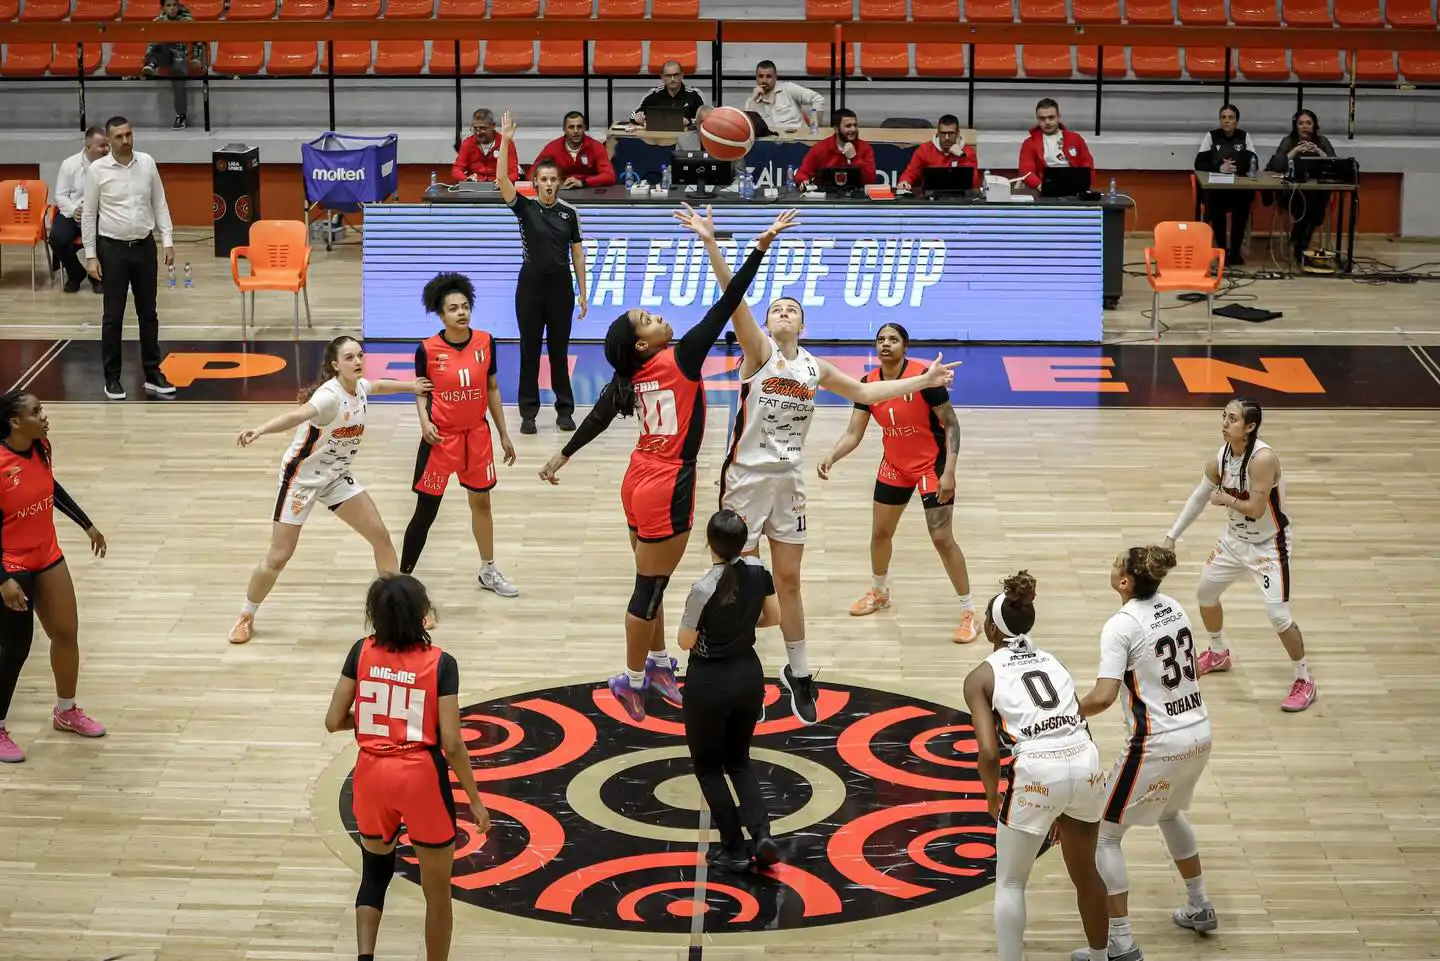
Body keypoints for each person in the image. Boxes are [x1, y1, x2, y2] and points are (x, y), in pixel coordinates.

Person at [679, 206, 960, 725]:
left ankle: (799, 673)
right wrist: (712, 244)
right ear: (766, 323)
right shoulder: (758, 352)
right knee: (732, 581)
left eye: (792, 308)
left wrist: (923, 381)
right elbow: (732, 297)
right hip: (743, 480)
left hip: (787, 483)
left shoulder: (814, 366)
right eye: (777, 308)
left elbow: (867, 391)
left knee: (789, 582)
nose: (784, 311)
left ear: (803, 323)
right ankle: (738, 672)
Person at [535, 208, 794, 723]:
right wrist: (760, 246)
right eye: (649, 321)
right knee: (648, 589)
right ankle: (632, 683)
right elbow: (728, 303)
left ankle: (656, 665)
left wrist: (562, 455)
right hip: (667, 483)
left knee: (649, 579)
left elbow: (597, 419)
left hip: (635, 480)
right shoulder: (682, 357)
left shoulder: (631, 378)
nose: (657, 316)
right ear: (643, 344)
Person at [324, 573, 492, 961]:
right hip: (419, 778)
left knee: (375, 874)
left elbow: (334, 720)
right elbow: (451, 743)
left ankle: (365, 956)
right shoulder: (441, 663)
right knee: (438, 894)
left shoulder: (360, 651)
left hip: (370, 774)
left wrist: (376, 719)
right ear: (421, 614)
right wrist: (476, 801)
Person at [227, 336, 432, 645]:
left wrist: (411, 387)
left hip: (336, 478)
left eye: (360, 355)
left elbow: (379, 385)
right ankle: (246, 615)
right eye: (350, 357)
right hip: (301, 481)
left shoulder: (360, 387)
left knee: (381, 538)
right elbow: (296, 416)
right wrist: (260, 430)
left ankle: (399, 611)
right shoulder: (329, 397)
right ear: (336, 365)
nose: (358, 361)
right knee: (279, 556)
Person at [1071, 546, 1218, 961]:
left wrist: (1063, 713)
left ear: (1124, 582)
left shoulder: (1121, 625)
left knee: (1105, 833)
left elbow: (1103, 696)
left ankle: (1120, 941)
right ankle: (1200, 904)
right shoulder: (1173, 606)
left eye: (1115, 562)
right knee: (1170, 813)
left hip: (1158, 741)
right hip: (1199, 732)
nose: (1111, 563)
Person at [962, 571, 1110, 961]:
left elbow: (990, 754)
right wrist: (1066, 800)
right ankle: (1100, 956)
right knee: (1086, 872)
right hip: (1084, 758)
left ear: (991, 628)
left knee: (1010, 882)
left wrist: (992, 795)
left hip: (1038, 769)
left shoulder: (980, 676)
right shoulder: (1054, 662)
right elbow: (1075, 717)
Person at [817, 323, 977, 642]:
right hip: (895, 466)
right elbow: (853, 433)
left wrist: (950, 472)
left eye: (893, 339)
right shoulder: (868, 385)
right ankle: (880, 593)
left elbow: (952, 425)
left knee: (942, 538)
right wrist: (832, 456)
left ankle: (968, 611)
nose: (886, 344)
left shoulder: (925, 378)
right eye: (881, 339)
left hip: (932, 466)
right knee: (880, 533)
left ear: (905, 346)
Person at [1161, 397, 1315, 711]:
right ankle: (1218, 652)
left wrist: (1226, 500)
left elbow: (1257, 510)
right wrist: (1171, 536)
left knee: (1279, 617)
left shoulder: (1262, 459)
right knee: (1205, 593)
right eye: (1224, 416)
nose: (1224, 423)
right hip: (1233, 541)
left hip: (1269, 546)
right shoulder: (1220, 458)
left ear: (1250, 426)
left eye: (1232, 418)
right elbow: (1199, 497)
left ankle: (1304, 679)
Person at [0, 390, 108, 763]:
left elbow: (50, 488)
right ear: (15, 422)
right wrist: (2, 579)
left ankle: (66, 710)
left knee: (66, 631)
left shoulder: (41, 445)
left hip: (47, 553)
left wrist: (87, 524)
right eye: (36, 412)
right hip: (11, 565)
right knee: (15, 648)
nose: (44, 415)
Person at [400, 273, 519, 598]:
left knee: (482, 502)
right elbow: (421, 392)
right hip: (441, 441)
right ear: (441, 314)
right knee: (426, 511)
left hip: (477, 437)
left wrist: (504, 434)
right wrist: (424, 421)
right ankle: (402, 577)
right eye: (453, 308)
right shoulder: (426, 350)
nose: (461, 312)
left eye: (465, 306)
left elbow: (492, 388)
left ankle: (488, 569)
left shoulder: (485, 341)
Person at [677, 509, 783, 872]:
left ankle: (733, 847)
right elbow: (774, 618)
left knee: (708, 767)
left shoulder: (703, 588)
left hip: (709, 683)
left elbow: (684, 640)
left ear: (710, 544)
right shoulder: (759, 572)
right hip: (748, 676)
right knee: (739, 760)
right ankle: (763, 834)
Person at [497, 111, 589, 436]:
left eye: (553, 179)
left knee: (559, 352)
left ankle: (565, 411)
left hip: (561, 289)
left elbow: (577, 252)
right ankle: (528, 414)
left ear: (559, 182)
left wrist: (583, 291)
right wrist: (506, 142)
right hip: (530, 289)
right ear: (535, 182)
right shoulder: (524, 207)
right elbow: (503, 182)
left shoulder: (570, 213)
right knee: (529, 351)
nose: (548, 184)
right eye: (543, 179)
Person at [82, 115, 176, 402]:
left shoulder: (147, 162)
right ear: (108, 141)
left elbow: (159, 203)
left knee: (149, 313)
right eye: (119, 136)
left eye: (129, 134)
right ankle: (112, 378)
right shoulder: (97, 170)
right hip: (112, 249)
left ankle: (152, 373)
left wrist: (168, 240)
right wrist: (90, 256)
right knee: (113, 316)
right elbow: (88, 214)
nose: (126, 140)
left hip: (144, 246)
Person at [1266, 109, 1337, 261]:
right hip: (1292, 193)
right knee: (1305, 206)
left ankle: (1298, 240)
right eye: (1301, 123)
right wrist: (1294, 151)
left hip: (1316, 193)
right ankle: (1301, 246)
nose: (1305, 126)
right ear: (1295, 126)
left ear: (1314, 126)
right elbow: (1275, 166)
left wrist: (1318, 152)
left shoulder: (1322, 141)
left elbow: (1334, 165)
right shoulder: (1288, 141)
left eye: (1308, 123)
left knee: (1315, 209)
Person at [1194, 104, 1259, 265]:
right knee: (1216, 207)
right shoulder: (1211, 136)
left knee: (1241, 208)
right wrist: (1220, 168)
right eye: (1223, 117)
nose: (1226, 121)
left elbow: (1254, 162)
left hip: (1238, 188)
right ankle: (1222, 249)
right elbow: (1199, 163)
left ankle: (1235, 251)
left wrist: (1237, 167)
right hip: (1217, 187)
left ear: (1236, 121)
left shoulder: (1244, 136)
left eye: (1230, 118)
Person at [50, 126, 107, 294]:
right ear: (88, 147)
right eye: (102, 146)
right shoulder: (70, 164)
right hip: (73, 211)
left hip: (100, 213)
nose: (107, 149)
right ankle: (76, 273)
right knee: (57, 239)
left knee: (103, 239)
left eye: (107, 145)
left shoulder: (110, 164)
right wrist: (74, 209)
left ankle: (97, 276)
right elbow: (60, 195)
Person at [140, 0, 202, 129]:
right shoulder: (158, 21)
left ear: (178, 6)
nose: (172, 8)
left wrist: (197, 58)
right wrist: (147, 57)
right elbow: (152, 43)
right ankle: (150, 65)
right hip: (164, 55)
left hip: (181, 57)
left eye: (174, 5)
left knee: (178, 78)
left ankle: (181, 115)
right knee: (161, 45)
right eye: (169, 6)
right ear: (163, 7)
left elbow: (198, 42)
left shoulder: (187, 21)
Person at [1018, 98, 1094, 190]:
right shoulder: (1029, 144)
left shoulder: (1076, 139)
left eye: (1051, 117)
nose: (1047, 122)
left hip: (1075, 188)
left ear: (1058, 117)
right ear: (1037, 119)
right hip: (1043, 188)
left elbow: (1088, 166)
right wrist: (1042, 187)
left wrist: (1083, 185)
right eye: (1042, 118)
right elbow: (1026, 171)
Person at [531, 111, 617, 189]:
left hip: (589, 190)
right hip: (561, 192)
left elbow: (609, 176)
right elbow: (533, 172)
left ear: (584, 128)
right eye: (571, 127)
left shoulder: (596, 147)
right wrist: (553, 182)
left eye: (579, 127)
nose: (576, 131)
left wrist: (583, 183)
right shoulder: (552, 148)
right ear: (564, 129)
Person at [794, 109, 876, 189]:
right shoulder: (820, 148)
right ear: (836, 129)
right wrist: (805, 182)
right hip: (825, 198)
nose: (853, 129)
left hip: (855, 198)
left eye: (855, 125)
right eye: (848, 126)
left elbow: (870, 180)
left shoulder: (865, 148)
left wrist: (854, 158)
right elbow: (801, 174)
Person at [896, 114, 977, 195]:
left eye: (951, 133)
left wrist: (960, 156)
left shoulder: (968, 152)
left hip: (960, 198)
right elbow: (911, 172)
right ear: (938, 133)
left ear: (957, 133)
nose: (947, 138)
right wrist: (905, 182)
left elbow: (974, 182)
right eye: (943, 133)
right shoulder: (925, 149)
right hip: (930, 198)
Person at [744, 59, 825, 133]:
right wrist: (754, 100)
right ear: (756, 77)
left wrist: (814, 127)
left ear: (776, 77)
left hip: (798, 140)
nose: (764, 80)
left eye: (769, 76)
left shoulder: (788, 89)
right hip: (771, 143)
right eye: (760, 76)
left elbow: (817, 99)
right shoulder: (751, 102)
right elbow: (749, 130)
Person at [450, 107, 519, 184]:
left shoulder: (506, 143)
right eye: (475, 128)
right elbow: (456, 169)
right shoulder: (468, 143)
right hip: (474, 187)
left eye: (482, 128)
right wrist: (466, 179)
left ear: (493, 126)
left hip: (499, 187)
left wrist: (504, 181)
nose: (478, 133)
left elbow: (513, 173)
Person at [629, 60, 706, 127]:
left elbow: (706, 118)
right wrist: (637, 117)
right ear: (662, 77)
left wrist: (689, 121)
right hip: (658, 140)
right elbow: (633, 114)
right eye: (668, 76)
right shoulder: (653, 94)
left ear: (682, 75)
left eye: (676, 75)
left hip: (685, 140)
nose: (672, 79)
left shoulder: (695, 94)